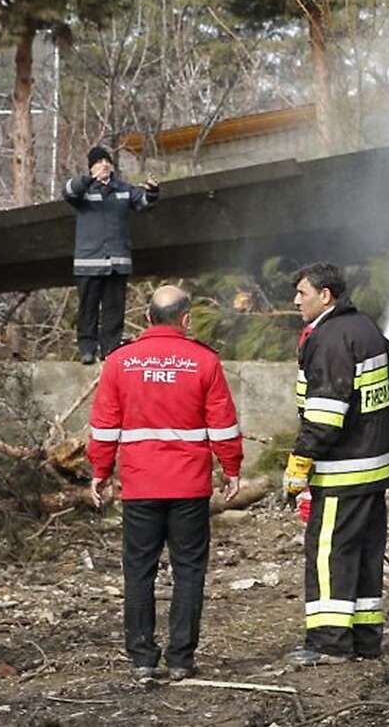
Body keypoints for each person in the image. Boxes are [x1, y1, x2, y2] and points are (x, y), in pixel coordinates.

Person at [87, 285, 243, 682]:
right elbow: (223, 425)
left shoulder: (121, 361)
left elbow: (104, 427)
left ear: (147, 318)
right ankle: (180, 659)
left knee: (139, 570)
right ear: (186, 319)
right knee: (189, 570)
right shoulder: (204, 362)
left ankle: (142, 658)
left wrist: (101, 472)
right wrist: (232, 469)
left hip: (140, 487)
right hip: (189, 487)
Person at [281, 262, 389, 667]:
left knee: (330, 555)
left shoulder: (331, 339)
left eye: (303, 293)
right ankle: (366, 639)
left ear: (325, 295)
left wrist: (299, 463)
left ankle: (329, 643)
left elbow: (326, 416)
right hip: (375, 469)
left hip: (342, 470)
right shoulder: (367, 329)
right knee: (365, 554)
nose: (296, 300)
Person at [64, 145, 161, 363]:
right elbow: (69, 191)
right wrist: (90, 179)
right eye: (98, 162)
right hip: (89, 262)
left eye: (106, 161)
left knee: (114, 309)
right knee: (87, 308)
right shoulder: (83, 191)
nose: (104, 165)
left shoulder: (124, 189)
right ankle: (87, 349)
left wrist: (153, 191)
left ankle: (111, 350)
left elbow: (144, 202)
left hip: (118, 262)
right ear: (91, 167)